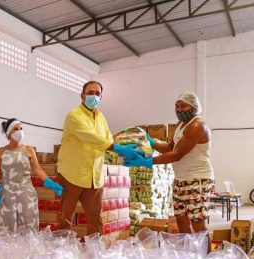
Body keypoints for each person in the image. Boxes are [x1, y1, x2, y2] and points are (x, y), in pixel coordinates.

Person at [57, 81, 141, 236]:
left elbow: (107, 138)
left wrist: (124, 149)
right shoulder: (74, 115)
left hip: (94, 177)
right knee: (65, 220)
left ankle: (94, 253)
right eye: (90, 92)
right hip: (72, 175)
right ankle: (62, 253)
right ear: (82, 95)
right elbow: (92, 138)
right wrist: (119, 149)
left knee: (95, 219)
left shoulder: (101, 117)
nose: (94, 96)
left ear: (101, 97)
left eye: (97, 93)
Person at [125, 92, 214, 236]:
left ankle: (205, 257)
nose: (179, 109)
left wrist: (148, 162)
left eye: (184, 106)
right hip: (180, 179)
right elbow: (171, 147)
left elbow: (177, 154)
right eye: (177, 106)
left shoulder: (197, 126)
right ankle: (189, 253)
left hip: (198, 179)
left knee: (197, 223)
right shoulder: (180, 125)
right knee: (181, 219)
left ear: (194, 107)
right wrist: (152, 143)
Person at [0, 118, 63, 232]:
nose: (19, 131)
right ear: (9, 132)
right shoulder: (1, 151)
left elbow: (38, 169)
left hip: (26, 193)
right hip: (6, 194)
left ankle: (29, 249)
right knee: (7, 228)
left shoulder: (28, 150)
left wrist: (51, 183)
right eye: (16, 129)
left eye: (21, 128)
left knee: (29, 227)